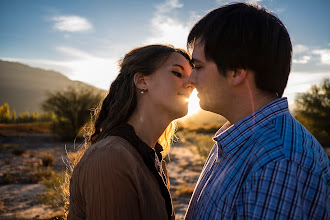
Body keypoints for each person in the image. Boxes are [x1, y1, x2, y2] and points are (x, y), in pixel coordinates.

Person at [185, 3, 329, 219]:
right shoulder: (238, 136)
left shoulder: (278, 162)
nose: (191, 79)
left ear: (236, 72)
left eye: (198, 67)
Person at [67, 44, 193, 220]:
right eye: (178, 73)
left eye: (192, 76)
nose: (191, 84)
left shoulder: (154, 159)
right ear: (142, 81)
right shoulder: (111, 157)